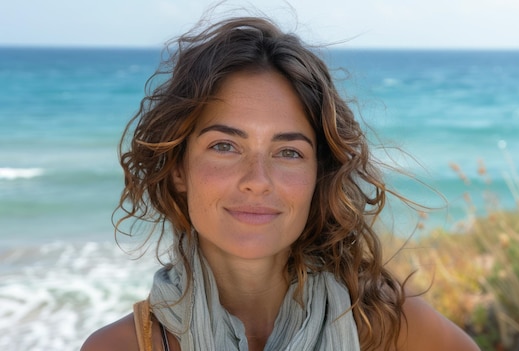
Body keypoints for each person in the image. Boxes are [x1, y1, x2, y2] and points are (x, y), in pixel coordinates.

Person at [81, 13, 480, 351]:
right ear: (179, 169)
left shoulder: (385, 322)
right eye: (225, 146)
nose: (257, 181)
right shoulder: (123, 346)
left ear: (317, 175)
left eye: (288, 152)